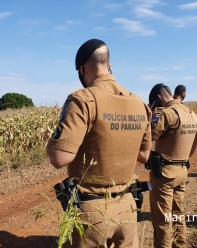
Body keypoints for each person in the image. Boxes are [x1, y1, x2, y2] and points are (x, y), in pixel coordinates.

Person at [46, 39, 152, 248]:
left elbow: (60, 158)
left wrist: (54, 138)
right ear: (109, 65)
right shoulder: (139, 103)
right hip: (128, 206)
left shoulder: (82, 100)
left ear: (83, 69)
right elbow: (144, 156)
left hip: (92, 210)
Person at [147, 83, 197, 247]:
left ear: (158, 99)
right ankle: (180, 244)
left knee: (162, 219)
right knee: (178, 213)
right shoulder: (191, 113)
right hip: (183, 169)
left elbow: (146, 137)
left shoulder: (164, 113)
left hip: (165, 173)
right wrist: (184, 158)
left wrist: (150, 114)